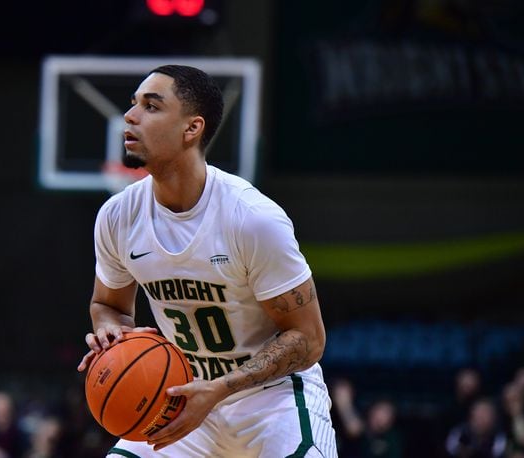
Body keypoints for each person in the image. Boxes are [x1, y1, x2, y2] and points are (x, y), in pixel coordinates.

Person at [76, 65, 336, 457]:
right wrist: (111, 333)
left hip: (271, 399)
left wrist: (219, 390)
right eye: (133, 104)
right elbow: (108, 306)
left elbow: (310, 340)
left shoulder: (252, 218)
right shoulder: (117, 216)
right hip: (180, 395)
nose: (130, 116)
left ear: (191, 129)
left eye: (151, 106)